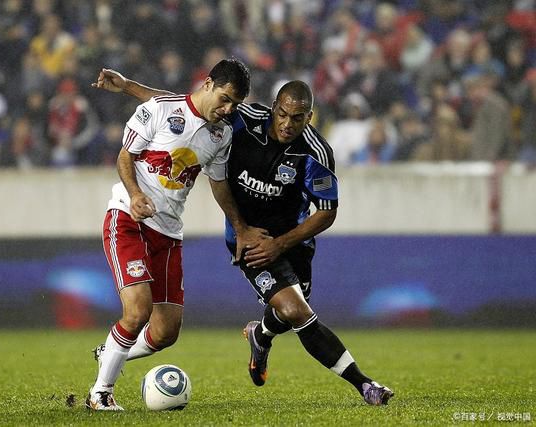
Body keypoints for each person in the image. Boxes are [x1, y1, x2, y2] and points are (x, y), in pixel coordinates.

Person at [92, 68, 395, 406]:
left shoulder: (316, 153)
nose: (287, 124)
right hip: (248, 240)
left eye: (297, 118)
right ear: (273, 107)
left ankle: (260, 333)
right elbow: (185, 108)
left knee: (281, 316)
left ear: (309, 117)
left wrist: (279, 244)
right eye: (282, 114)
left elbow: (327, 211)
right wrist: (130, 87)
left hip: (290, 240)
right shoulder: (244, 119)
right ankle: (365, 385)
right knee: (296, 312)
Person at [86, 58, 267, 411]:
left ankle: (110, 351)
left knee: (166, 332)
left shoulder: (221, 133)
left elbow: (218, 185)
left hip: (168, 234)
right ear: (209, 83)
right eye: (226, 99)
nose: (228, 109)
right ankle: (100, 394)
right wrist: (136, 194)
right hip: (128, 218)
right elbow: (125, 156)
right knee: (138, 312)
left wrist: (241, 228)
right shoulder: (159, 110)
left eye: (235, 105)